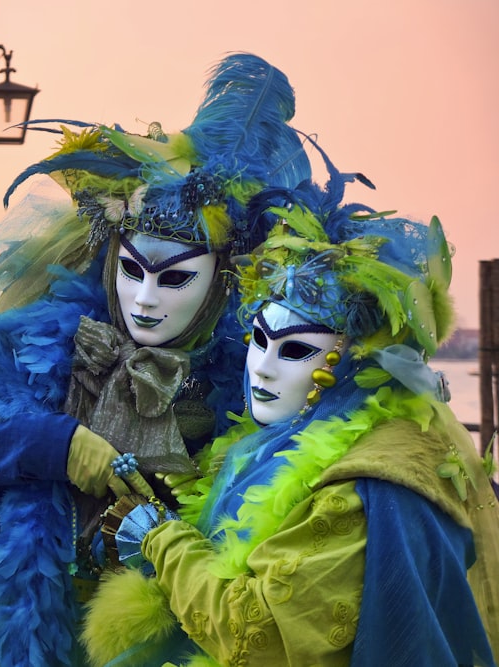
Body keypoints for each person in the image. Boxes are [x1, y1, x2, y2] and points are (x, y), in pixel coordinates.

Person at [0, 53, 312, 666]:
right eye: (132, 271)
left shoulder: (254, 373)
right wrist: (63, 447)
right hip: (11, 617)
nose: (143, 300)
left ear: (221, 282)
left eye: (175, 280)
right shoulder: (43, 330)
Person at [84, 172, 499, 666]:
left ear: (354, 364)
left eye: (297, 350)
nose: (261, 367)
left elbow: (254, 634)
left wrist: (157, 537)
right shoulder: (285, 442)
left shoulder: (367, 486)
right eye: (257, 340)